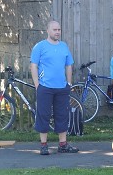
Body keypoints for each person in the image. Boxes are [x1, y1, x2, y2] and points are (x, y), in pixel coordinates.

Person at [30, 21, 79, 155]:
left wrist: (69, 83)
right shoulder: (40, 47)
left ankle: (62, 144)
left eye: (59, 29)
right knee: (43, 114)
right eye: (54, 30)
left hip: (62, 88)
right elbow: (34, 65)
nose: (57, 32)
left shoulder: (64, 46)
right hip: (45, 87)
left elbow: (69, 65)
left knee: (62, 115)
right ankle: (44, 145)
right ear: (48, 31)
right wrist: (37, 84)